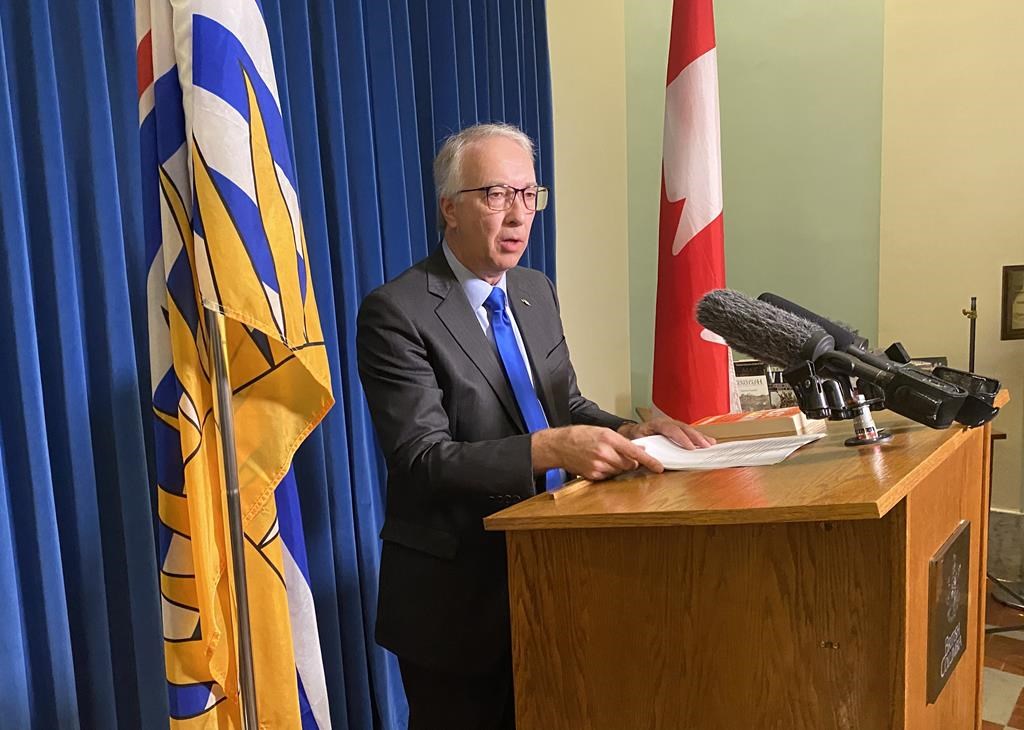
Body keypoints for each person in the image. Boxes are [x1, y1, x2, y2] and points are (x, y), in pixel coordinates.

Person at [356, 122, 713, 729]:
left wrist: (631, 432)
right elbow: (422, 459)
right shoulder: (397, 311)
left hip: (555, 576)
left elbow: (564, 403)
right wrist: (548, 449)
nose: (518, 215)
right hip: (457, 604)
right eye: (496, 195)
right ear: (450, 209)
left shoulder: (533, 290)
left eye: (528, 194)